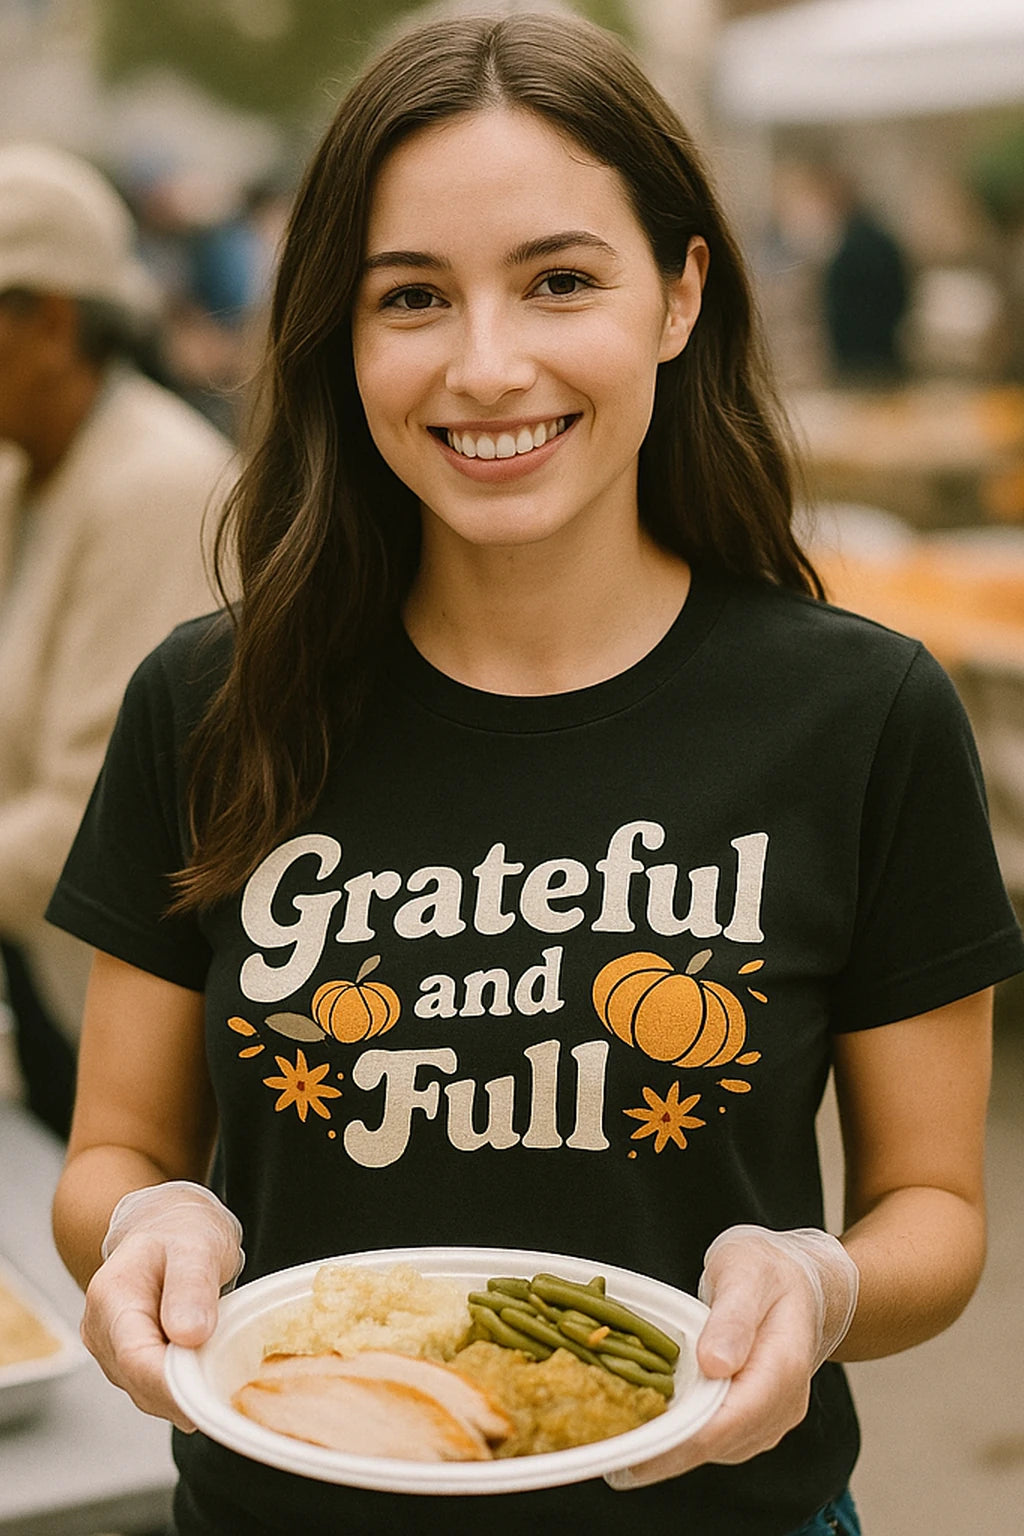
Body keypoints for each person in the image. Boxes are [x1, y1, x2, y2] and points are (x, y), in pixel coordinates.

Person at [47, 13, 1022, 1536]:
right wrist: (147, 1225)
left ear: (682, 295)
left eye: (561, 281)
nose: (488, 366)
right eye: (413, 298)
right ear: (338, 335)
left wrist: (821, 1283)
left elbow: (936, 1218)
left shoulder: (862, 714)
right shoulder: (208, 698)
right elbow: (112, 1150)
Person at [0, 142, 234, 1137]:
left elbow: (99, 812)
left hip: (150, 1028)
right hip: (57, 985)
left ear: (52, 322)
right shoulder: (30, 475)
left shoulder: (157, 483)